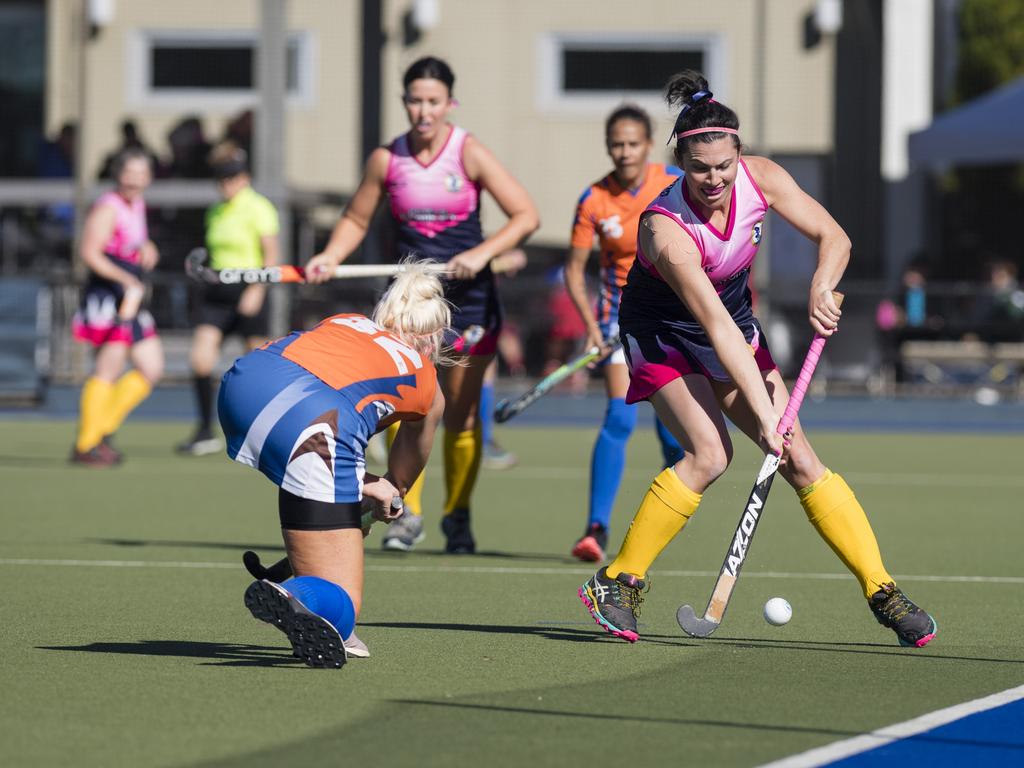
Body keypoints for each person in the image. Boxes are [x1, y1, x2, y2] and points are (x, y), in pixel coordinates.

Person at [577, 70, 937, 648]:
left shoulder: (762, 179)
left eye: (723, 165)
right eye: (699, 169)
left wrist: (822, 286)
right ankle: (618, 581)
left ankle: (883, 591)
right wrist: (767, 419)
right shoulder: (665, 230)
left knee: (801, 461)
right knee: (710, 453)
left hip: (733, 321)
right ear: (680, 163)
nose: (714, 179)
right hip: (665, 331)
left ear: (738, 153)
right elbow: (712, 326)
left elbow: (835, 237)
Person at [306, 56, 539, 553]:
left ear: (449, 103)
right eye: (415, 100)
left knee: (458, 412)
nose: (423, 111)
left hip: (470, 300)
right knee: (406, 404)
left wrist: (481, 253)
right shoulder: (387, 159)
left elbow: (525, 215)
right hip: (411, 300)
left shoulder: (468, 152)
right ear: (405, 102)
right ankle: (404, 510)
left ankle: (458, 516)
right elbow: (355, 218)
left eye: (433, 101)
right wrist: (329, 255)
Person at [223, 264, 449, 666]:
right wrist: (385, 493)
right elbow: (400, 481)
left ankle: (301, 595)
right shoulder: (426, 382)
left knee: (312, 468)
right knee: (342, 608)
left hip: (243, 382)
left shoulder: (347, 322)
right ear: (431, 339)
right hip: (312, 425)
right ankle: (301, 597)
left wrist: (362, 483)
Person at [563, 104, 685, 562]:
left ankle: (674, 511)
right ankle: (595, 528)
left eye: (633, 143)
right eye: (617, 144)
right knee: (619, 416)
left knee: (674, 434)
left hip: (675, 319)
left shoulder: (674, 181)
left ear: (648, 145)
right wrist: (593, 327)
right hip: (621, 320)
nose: (624, 152)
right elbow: (575, 272)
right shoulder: (593, 199)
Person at [176, 144, 280, 455]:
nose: (227, 184)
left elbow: (271, 255)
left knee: (259, 366)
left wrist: (257, 290)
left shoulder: (259, 207)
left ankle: (267, 432)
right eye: (222, 178)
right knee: (201, 359)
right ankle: (205, 430)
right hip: (218, 292)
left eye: (232, 177)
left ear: (245, 177)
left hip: (249, 286)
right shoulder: (215, 210)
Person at [70, 148, 164, 466]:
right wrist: (125, 279)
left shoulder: (136, 204)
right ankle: (87, 444)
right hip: (109, 298)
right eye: (130, 172)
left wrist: (146, 247)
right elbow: (90, 253)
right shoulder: (107, 207)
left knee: (151, 368)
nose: (136, 179)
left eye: (142, 173)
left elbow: (129, 242)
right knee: (107, 370)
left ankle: (101, 429)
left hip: (130, 298)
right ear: (118, 174)